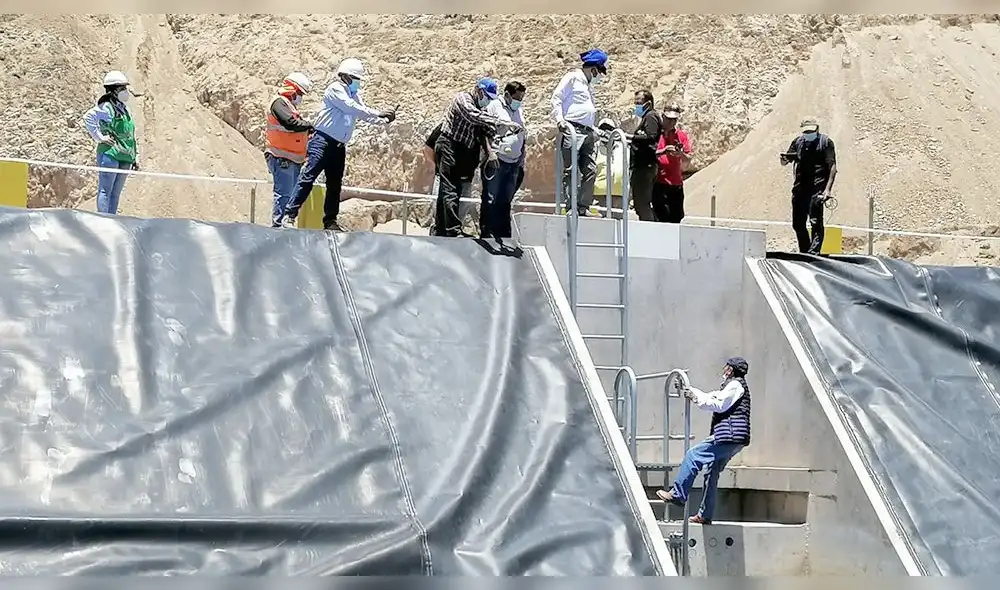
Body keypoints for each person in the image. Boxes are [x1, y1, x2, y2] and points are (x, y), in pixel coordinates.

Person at [277, 58, 397, 231]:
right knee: (308, 177)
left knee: (335, 184)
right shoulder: (335, 90)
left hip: (339, 145)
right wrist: (379, 113)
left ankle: (330, 221)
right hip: (322, 141)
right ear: (346, 77)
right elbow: (351, 108)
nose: (358, 83)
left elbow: (363, 114)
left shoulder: (354, 95)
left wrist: (384, 120)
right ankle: (289, 215)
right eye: (356, 79)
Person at [655, 357, 751, 525]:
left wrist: (695, 397)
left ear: (732, 370)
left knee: (693, 456)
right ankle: (705, 515)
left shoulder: (735, 385)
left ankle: (678, 494)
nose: (724, 370)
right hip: (734, 438)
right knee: (712, 472)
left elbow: (718, 404)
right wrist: (690, 390)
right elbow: (711, 396)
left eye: (727, 367)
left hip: (729, 436)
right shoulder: (733, 385)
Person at [434, 78, 518, 237]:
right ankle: (452, 230)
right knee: (450, 189)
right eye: (486, 96)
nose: (487, 101)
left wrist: (503, 132)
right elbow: (473, 116)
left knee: (455, 189)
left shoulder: (482, 110)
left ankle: (441, 229)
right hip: (449, 145)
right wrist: (501, 121)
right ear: (479, 91)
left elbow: (486, 130)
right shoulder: (463, 99)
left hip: (462, 151)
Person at [551, 48, 608, 217]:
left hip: (588, 132)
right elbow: (556, 98)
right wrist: (559, 120)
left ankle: (583, 207)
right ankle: (570, 207)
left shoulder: (588, 86)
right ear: (594, 69)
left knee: (590, 169)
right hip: (573, 130)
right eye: (600, 72)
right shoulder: (573, 78)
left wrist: (595, 129)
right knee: (571, 169)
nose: (600, 77)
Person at [83, 70, 138, 215]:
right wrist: (100, 138)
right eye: (122, 88)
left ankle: (112, 219)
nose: (125, 92)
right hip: (110, 154)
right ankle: (104, 220)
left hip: (125, 156)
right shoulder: (106, 108)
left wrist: (135, 156)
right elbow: (88, 117)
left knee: (116, 193)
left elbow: (130, 135)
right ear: (113, 90)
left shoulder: (124, 109)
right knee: (105, 190)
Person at [264, 72, 314, 227]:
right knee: (284, 194)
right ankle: (279, 227)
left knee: (291, 195)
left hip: (292, 159)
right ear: (293, 90)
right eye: (299, 93)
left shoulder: (288, 106)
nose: (300, 98)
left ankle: (284, 225)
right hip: (282, 158)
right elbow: (289, 123)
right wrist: (309, 125)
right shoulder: (279, 103)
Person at [780, 118, 837, 254]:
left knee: (815, 222)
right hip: (799, 189)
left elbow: (832, 166)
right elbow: (786, 161)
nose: (808, 133)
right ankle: (805, 251)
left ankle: (814, 253)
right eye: (806, 131)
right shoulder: (798, 142)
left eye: (811, 131)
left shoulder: (825, 142)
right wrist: (784, 159)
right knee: (798, 224)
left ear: (817, 129)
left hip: (817, 189)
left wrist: (827, 189)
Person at [481, 80, 527, 240]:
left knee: (506, 201)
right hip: (497, 160)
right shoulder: (494, 106)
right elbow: (484, 130)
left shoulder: (519, 110)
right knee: (491, 199)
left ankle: (503, 236)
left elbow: (522, 134)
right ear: (507, 95)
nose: (519, 101)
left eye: (521, 98)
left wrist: (521, 158)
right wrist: (490, 153)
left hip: (513, 163)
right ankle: (488, 235)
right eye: (517, 98)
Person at [651, 104, 692, 223]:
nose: (671, 122)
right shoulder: (656, 135)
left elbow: (688, 159)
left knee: (676, 218)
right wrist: (663, 151)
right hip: (659, 183)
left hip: (676, 184)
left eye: (674, 119)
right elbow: (649, 154)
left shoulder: (681, 136)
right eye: (668, 119)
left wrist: (681, 154)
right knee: (661, 218)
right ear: (663, 117)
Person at [628, 90, 662, 222]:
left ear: (648, 104)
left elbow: (651, 136)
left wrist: (631, 137)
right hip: (642, 166)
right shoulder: (647, 117)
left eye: (639, 103)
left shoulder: (651, 117)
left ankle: (650, 230)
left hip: (645, 166)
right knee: (641, 203)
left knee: (642, 204)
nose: (636, 105)